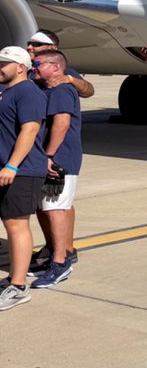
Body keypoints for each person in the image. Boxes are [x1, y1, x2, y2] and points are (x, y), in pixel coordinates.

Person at [28, 51, 82, 289]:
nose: (34, 67)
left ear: (55, 67)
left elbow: (62, 123)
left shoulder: (61, 90)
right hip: (48, 159)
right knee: (46, 207)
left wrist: (48, 155)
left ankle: (60, 263)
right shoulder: (45, 88)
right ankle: (53, 257)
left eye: (38, 63)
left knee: (55, 208)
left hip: (60, 160)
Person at [0, 46, 48, 311]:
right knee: (10, 224)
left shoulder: (28, 92)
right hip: (6, 168)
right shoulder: (6, 91)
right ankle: (13, 279)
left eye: (3, 63)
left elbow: (29, 130)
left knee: (17, 225)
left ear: (21, 67)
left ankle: (19, 287)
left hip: (22, 170)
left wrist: (12, 165)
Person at [26, 31, 95, 98]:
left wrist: (71, 80)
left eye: (36, 44)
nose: (29, 47)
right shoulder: (27, 69)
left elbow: (89, 91)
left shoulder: (62, 72)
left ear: (53, 47)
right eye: (29, 44)